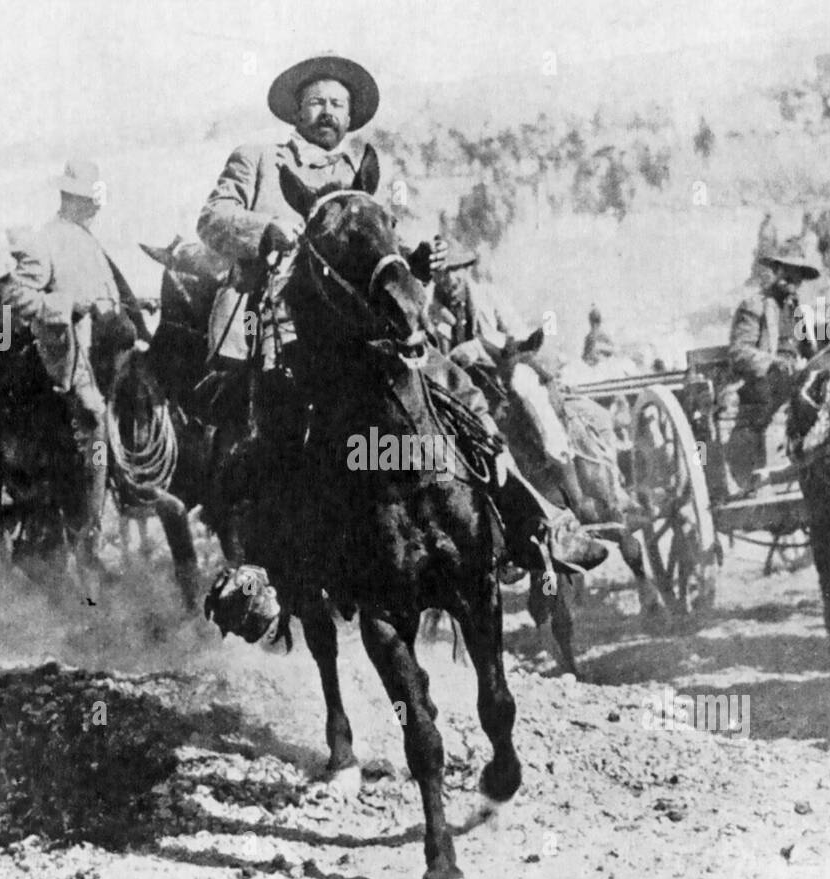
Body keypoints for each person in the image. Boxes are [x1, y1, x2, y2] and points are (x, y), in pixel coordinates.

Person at [196, 53, 604, 574]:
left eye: (338, 105)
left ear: (350, 117)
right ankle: (268, 573)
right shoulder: (257, 159)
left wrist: (416, 261)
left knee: (460, 393)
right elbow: (212, 219)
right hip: (282, 323)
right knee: (275, 436)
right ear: (296, 112)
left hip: (367, 330)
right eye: (317, 102)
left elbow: (382, 246)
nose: (327, 112)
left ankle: (537, 520)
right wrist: (265, 233)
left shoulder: (361, 169)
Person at [1, 159, 139, 426]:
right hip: (75, 360)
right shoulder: (44, 240)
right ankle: (99, 466)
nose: (95, 209)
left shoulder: (90, 242)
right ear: (69, 198)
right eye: (88, 201)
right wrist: (67, 306)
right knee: (95, 425)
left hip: (111, 355)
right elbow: (14, 294)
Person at [725, 245, 821, 484]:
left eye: (798, 277)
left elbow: (811, 352)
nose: (793, 281)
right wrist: (774, 363)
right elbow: (739, 352)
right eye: (788, 273)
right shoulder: (754, 305)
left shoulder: (800, 311)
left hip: (797, 382)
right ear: (776, 271)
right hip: (761, 385)